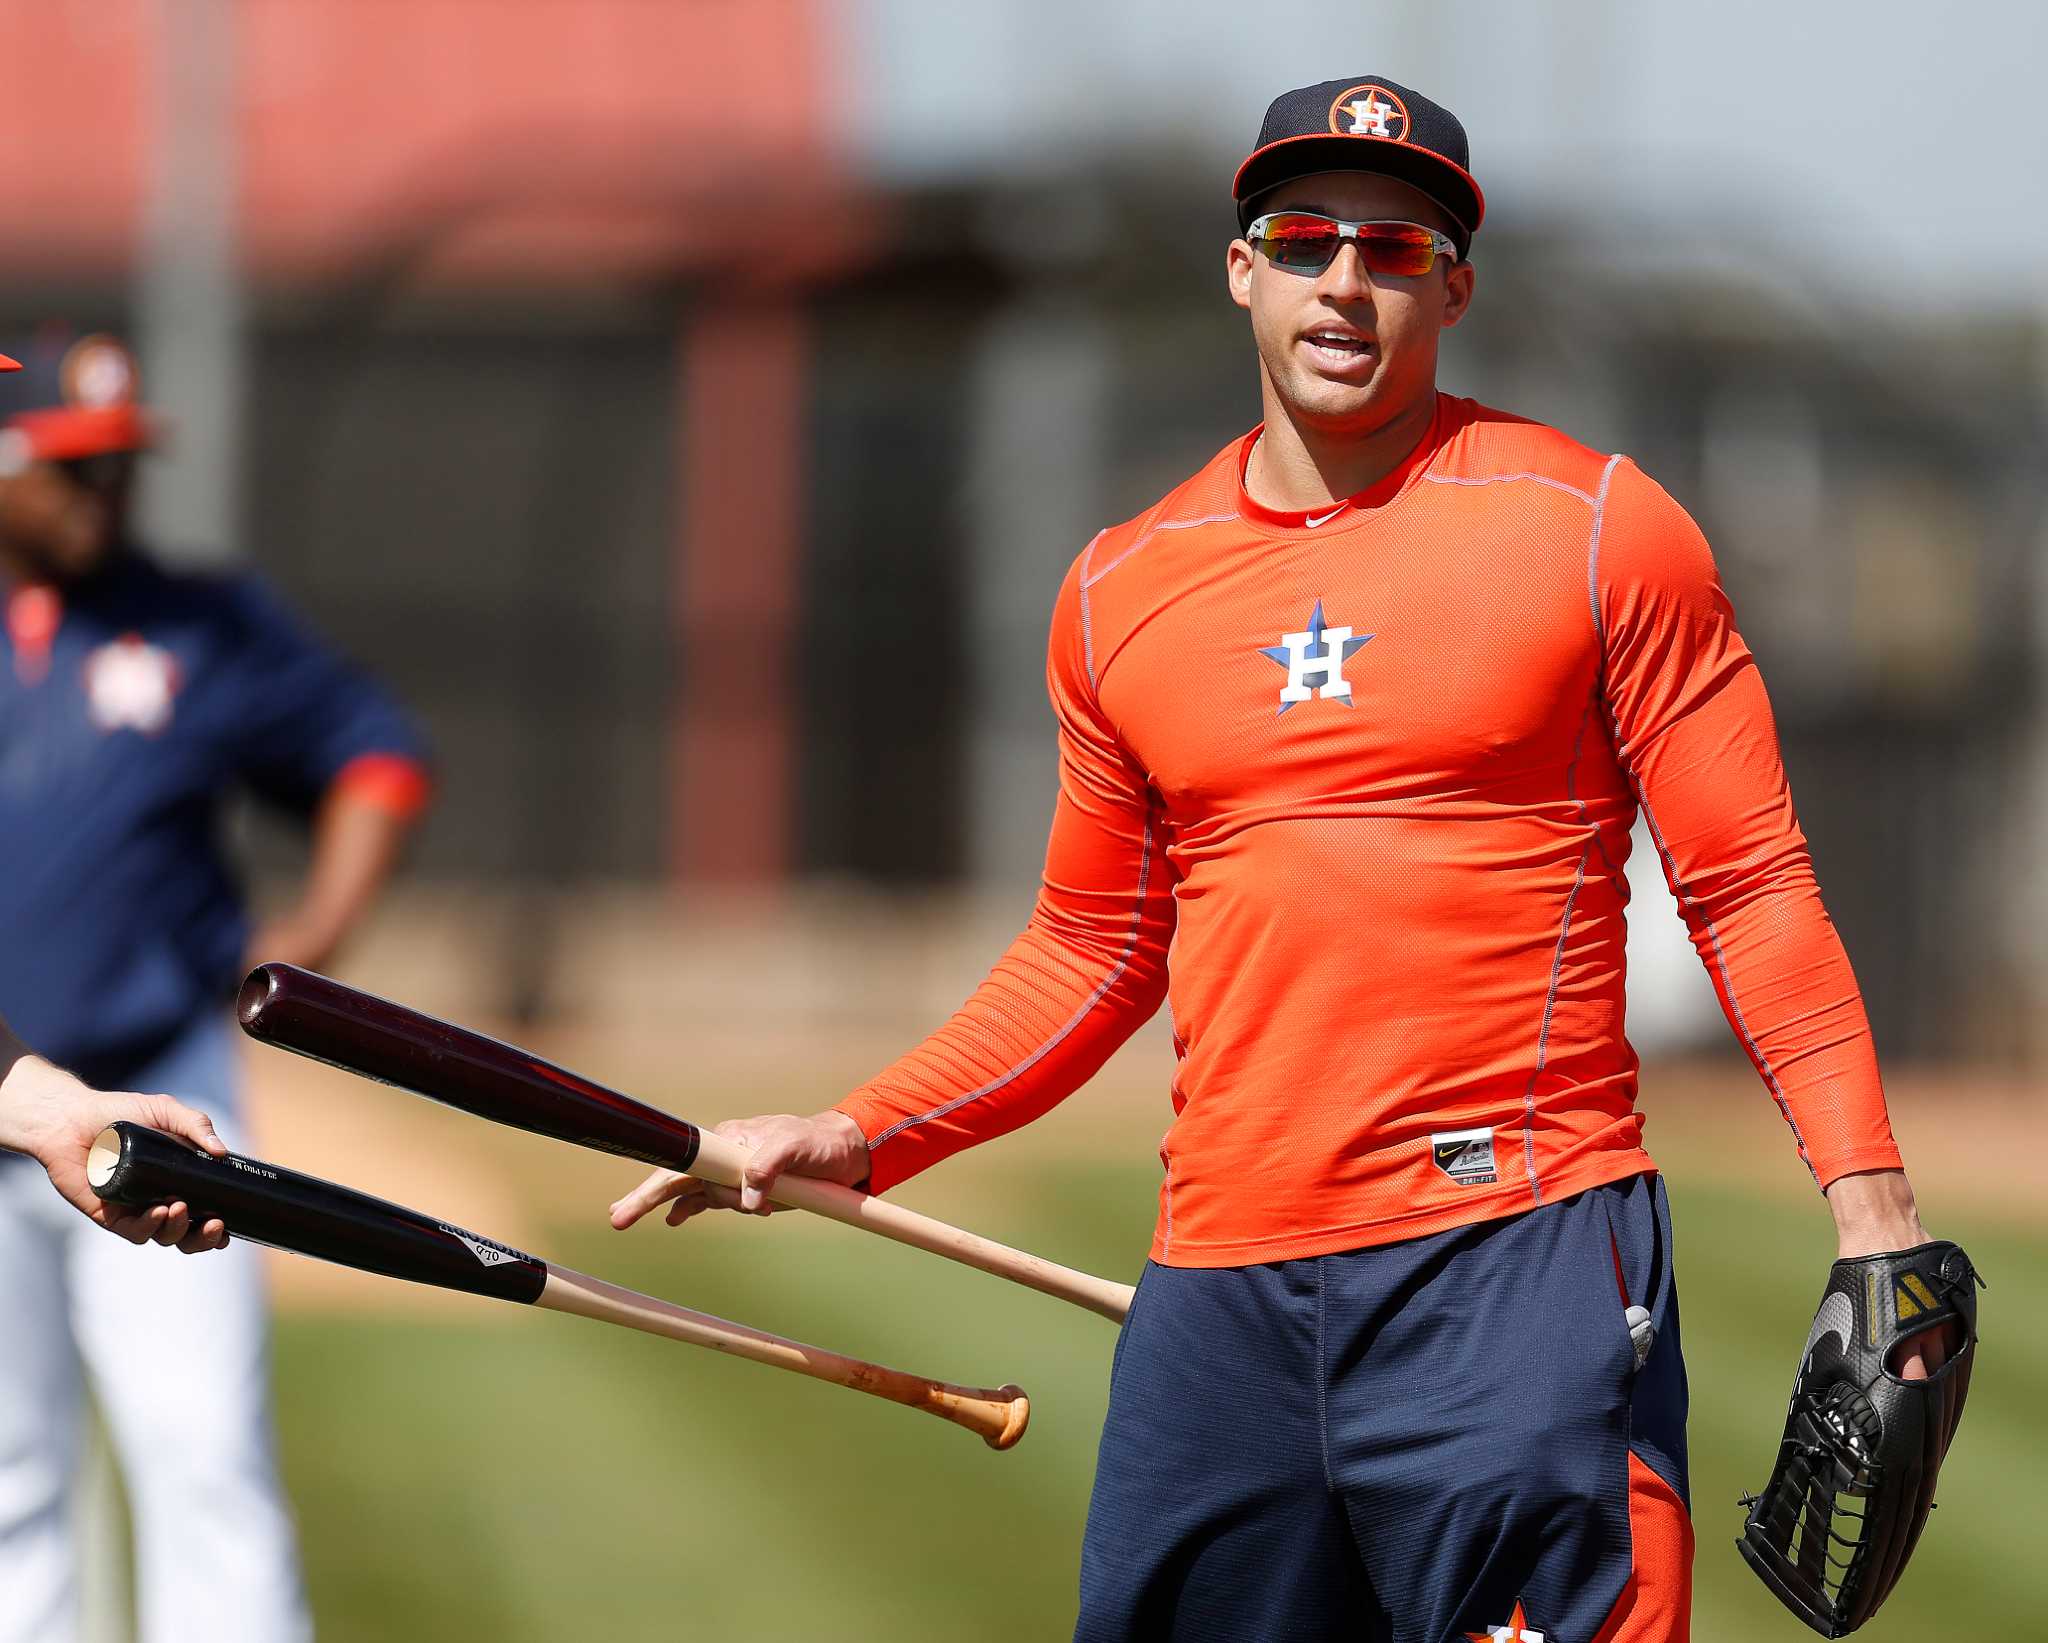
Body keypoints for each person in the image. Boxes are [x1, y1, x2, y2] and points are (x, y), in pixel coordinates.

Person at [612, 77, 1953, 1641]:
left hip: (1513, 1257)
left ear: (1455, 283)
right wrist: (864, 1128)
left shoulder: (1598, 528)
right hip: (1222, 1289)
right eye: (1304, 237)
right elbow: (1091, 951)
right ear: (1241, 267)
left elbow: (1748, 881)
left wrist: (1877, 1219)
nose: (1345, 281)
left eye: (1395, 248)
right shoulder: (1123, 589)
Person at [0, 328, 433, 1643]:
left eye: (123, 466)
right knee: (9, 1481)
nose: (106, 494)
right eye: (73, 468)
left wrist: (318, 931)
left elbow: (374, 753)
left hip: (155, 1084)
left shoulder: (202, 618)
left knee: (202, 1454)